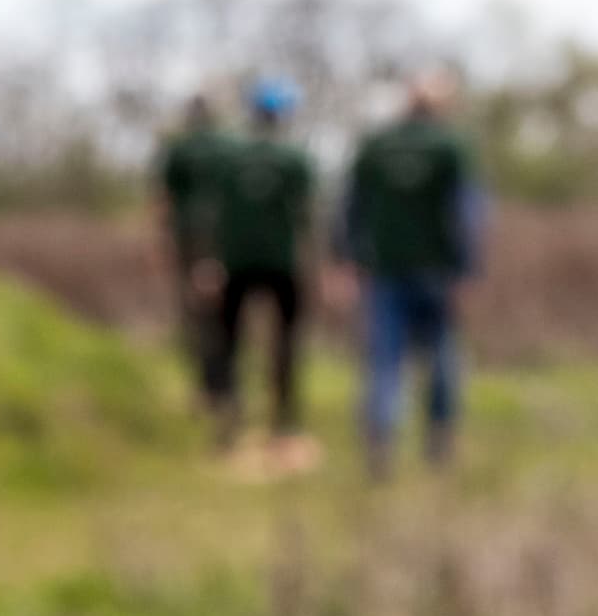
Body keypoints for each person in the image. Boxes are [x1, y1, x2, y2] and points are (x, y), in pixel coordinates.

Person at [340, 68, 483, 478]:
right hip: (436, 271)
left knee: (385, 358)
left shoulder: (377, 145)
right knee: (440, 356)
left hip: (384, 270)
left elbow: (351, 207)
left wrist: (346, 257)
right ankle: (439, 441)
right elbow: (467, 213)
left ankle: (381, 440)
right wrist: (467, 268)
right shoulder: (451, 147)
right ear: (440, 105)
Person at [200, 77, 317, 469]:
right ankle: (284, 424)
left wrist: (209, 260)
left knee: (229, 343)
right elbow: (306, 215)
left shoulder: (228, 159)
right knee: (285, 344)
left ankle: (229, 422)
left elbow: (212, 215)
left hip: (234, 264)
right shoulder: (295, 159)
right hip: (282, 265)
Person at [153, 91, 232, 391]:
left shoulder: (179, 150)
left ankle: (207, 379)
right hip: (223, 239)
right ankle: (222, 377)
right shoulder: (229, 147)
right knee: (222, 308)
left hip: (189, 238)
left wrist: (162, 241)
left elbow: (164, 199)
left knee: (195, 309)